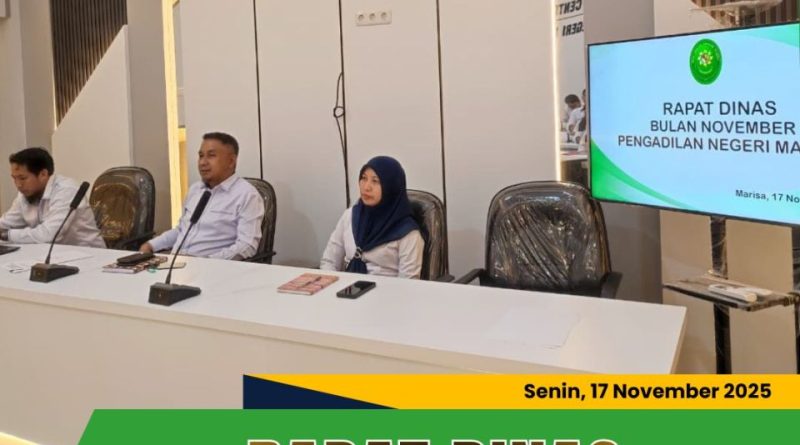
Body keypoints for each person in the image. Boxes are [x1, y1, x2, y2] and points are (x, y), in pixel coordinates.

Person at [140, 132, 264, 260]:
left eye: (211, 155)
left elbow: (246, 245)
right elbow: (182, 230)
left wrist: (207, 262)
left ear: (231, 161)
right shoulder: (195, 190)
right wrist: (151, 245)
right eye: (201, 156)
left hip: (212, 267)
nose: (203, 162)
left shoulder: (247, 195)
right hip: (175, 263)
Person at [321, 156, 424, 279]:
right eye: (364, 178)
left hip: (388, 290)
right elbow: (329, 262)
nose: (366, 187)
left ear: (390, 187)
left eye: (375, 181)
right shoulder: (350, 216)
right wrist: (329, 286)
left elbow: (408, 283)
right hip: (345, 287)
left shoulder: (407, 232)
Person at [0, 147, 104, 247]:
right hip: (51, 253)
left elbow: (49, 235)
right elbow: (6, 222)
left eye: (22, 178)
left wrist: (6, 235)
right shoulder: (26, 193)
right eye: (14, 178)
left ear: (43, 174)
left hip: (88, 253)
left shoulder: (66, 190)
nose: (18, 184)